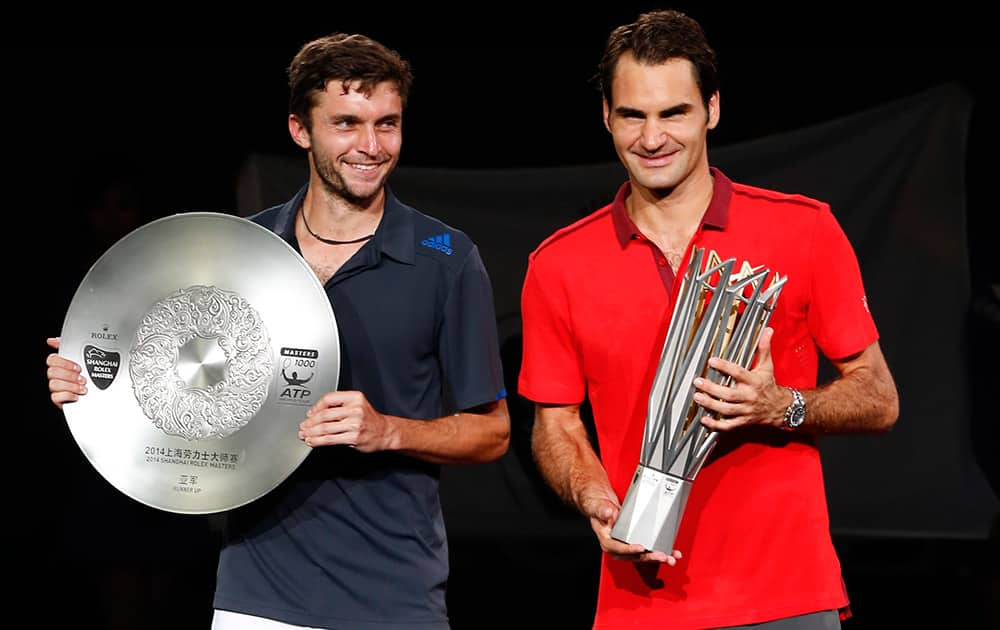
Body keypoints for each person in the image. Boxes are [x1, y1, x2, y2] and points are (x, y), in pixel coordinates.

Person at [46, 33, 510, 630]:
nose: (371, 146)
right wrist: (91, 380)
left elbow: (493, 433)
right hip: (255, 597)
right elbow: (177, 366)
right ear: (300, 129)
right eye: (346, 123)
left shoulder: (445, 258)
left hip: (393, 598)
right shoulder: (240, 251)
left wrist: (388, 430)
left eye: (387, 124)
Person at [518, 9, 899, 630]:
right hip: (638, 602)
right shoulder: (558, 264)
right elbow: (554, 424)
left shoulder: (803, 230)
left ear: (712, 110)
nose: (652, 137)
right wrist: (591, 495)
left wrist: (781, 405)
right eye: (633, 115)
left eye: (675, 113)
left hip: (787, 597)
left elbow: (879, 397)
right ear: (607, 118)